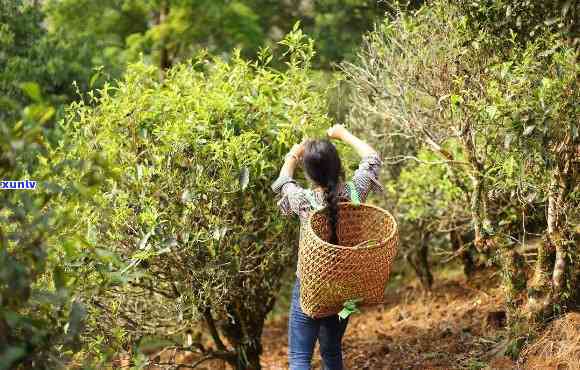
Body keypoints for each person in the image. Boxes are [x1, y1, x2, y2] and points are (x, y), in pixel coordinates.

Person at [271, 124, 383, 370]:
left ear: (309, 175)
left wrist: (293, 154)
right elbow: (372, 158)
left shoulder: (303, 200)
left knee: (300, 357)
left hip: (310, 288)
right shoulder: (355, 192)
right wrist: (343, 135)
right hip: (345, 294)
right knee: (332, 351)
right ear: (339, 166)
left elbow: (282, 181)